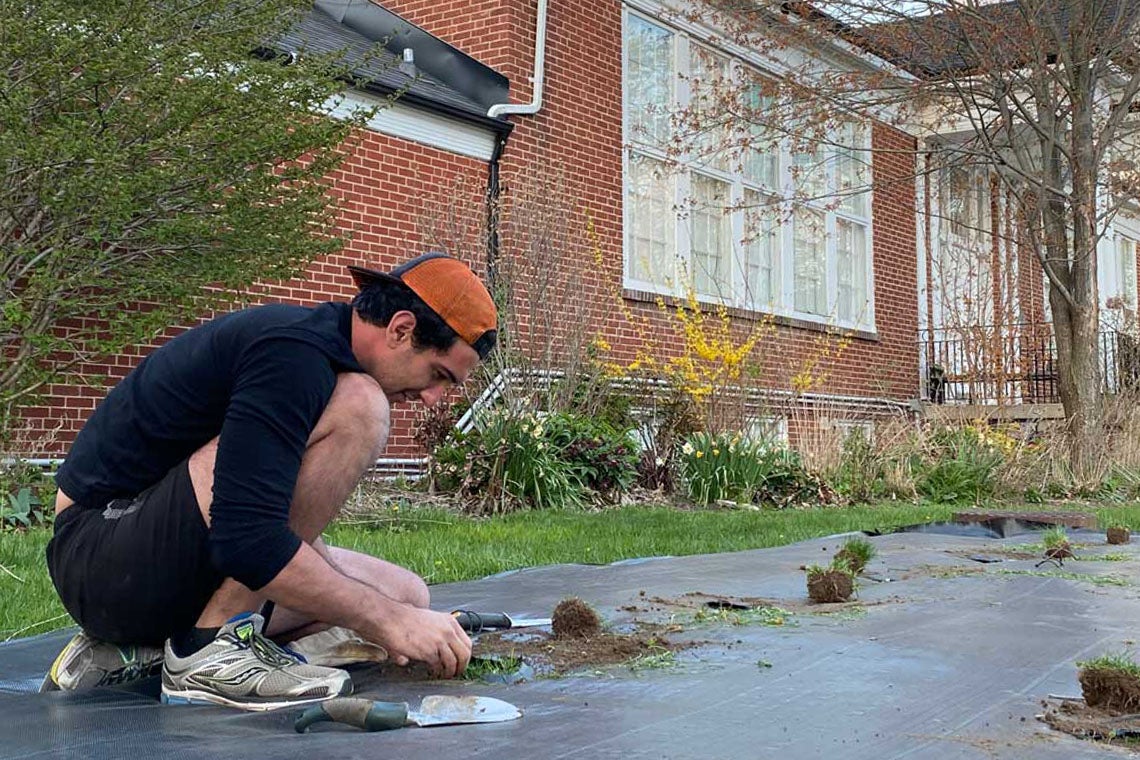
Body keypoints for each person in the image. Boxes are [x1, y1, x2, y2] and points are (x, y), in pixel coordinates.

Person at [43, 253, 497, 711]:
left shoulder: (321, 354)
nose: (433, 398)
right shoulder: (293, 355)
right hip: (100, 556)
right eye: (439, 375)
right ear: (401, 329)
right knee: (364, 407)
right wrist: (386, 621)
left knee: (408, 595)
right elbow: (246, 541)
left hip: (156, 554)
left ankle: (137, 653)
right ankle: (211, 648)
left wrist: (398, 613)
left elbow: (261, 520)